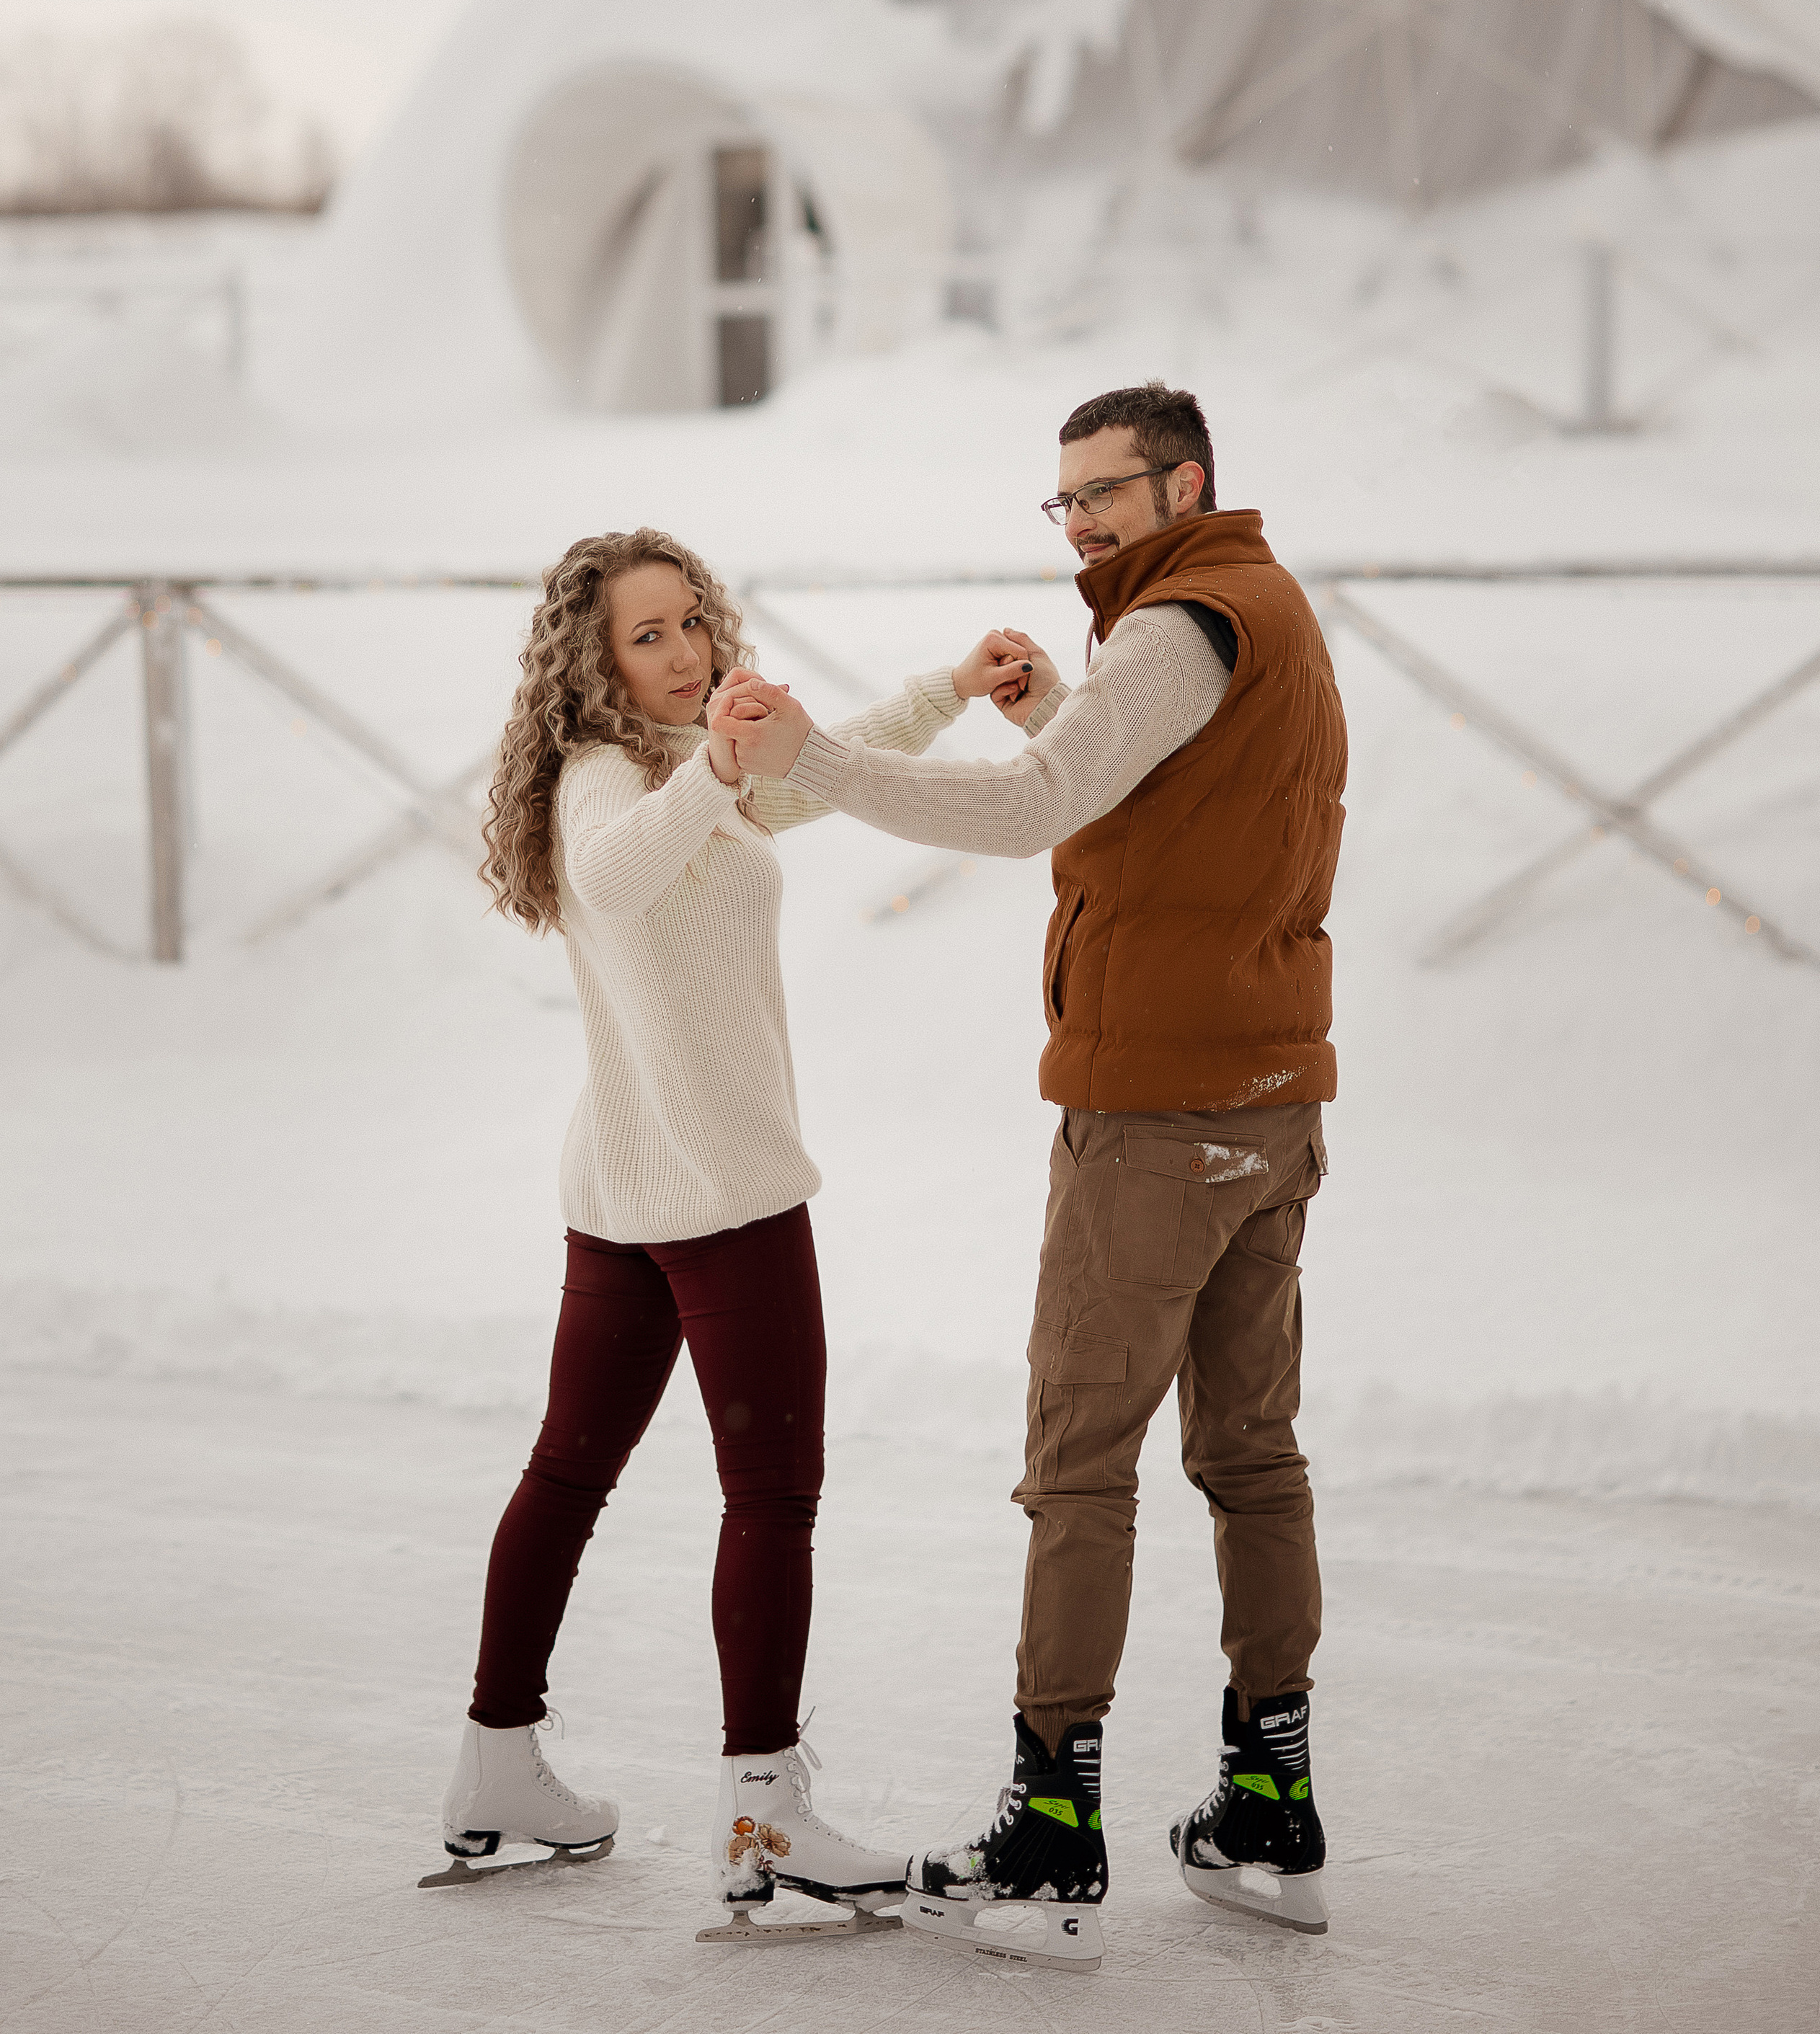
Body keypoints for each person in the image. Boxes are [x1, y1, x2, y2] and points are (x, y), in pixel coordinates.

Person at [711, 381, 1348, 1966]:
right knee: (1251, 1453)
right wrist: (1059, 708)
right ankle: (1270, 1808)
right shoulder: (1258, 606)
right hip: (1267, 1102)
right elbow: (1157, 787)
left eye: (1104, 494)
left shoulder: (1179, 622)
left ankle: (1051, 1835)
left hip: (1155, 1115)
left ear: (1184, 483)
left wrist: (815, 758)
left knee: (1078, 1468)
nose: (1079, 526)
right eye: (1060, 501)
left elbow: (1034, 811)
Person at [438, 525, 1033, 1927]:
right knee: (769, 1495)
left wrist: (947, 688)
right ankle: (763, 1815)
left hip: (631, 1188)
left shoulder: (682, 764)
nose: (681, 650)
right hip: (716, 1190)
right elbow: (613, 873)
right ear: (590, 661)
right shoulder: (611, 776)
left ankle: (496, 1768)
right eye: (644, 634)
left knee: (568, 1475)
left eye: (690, 621)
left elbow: (825, 767)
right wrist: (712, 767)